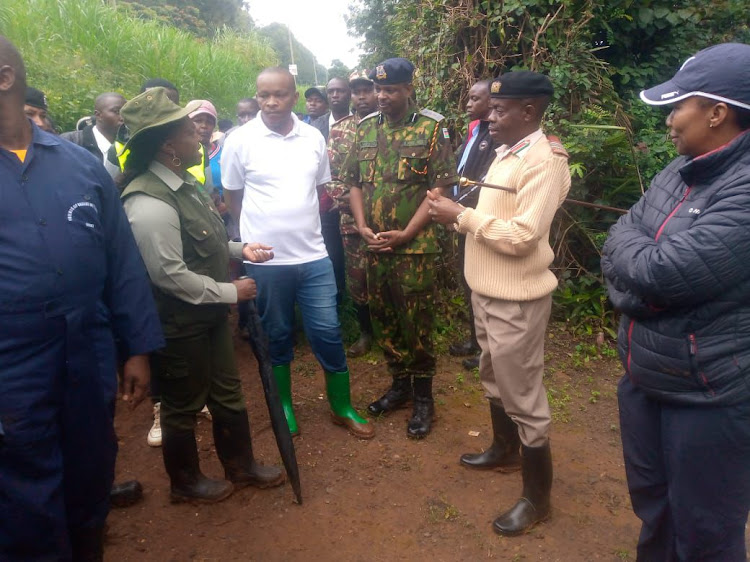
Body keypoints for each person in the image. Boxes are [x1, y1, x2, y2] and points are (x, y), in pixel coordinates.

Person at [0, 36, 164, 560]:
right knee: (24, 485)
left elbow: (122, 262)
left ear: (4, 77)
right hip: (10, 360)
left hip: (87, 346)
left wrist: (136, 346)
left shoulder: (79, 166)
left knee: (91, 466)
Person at [601, 43, 750, 561]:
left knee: (706, 531)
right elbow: (619, 235)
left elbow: (659, 272)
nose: (669, 119)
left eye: (677, 105)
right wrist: (637, 288)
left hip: (707, 395)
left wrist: (636, 283)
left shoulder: (744, 187)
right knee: (655, 508)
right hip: (645, 379)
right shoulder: (680, 168)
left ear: (717, 112)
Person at [119, 87, 285, 503]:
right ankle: (186, 483)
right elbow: (169, 274)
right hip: (179, 323)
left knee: (227, 391)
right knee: (182, 403)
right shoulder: (147, 200)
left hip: (208, 315)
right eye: (191, 133)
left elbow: (205, 241)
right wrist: (232, 291)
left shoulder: (183, 187)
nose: (202, 139)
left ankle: (241, 466)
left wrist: (239, 249)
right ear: (168, 145)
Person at [427, 71, 571, 535]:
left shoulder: (543, 162)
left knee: (524, 395)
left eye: (499, 109)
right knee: (492, 374)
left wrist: (461, 216)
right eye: (490, 107)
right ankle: (504, 450)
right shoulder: (509, 151)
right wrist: (455, 215)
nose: (489, 116)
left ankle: (537, 498)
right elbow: (493, 216)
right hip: (486, 290)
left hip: (517, 298)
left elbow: (525, 237)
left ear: (528, 112)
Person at [222, 67, 374, 440]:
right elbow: (232, 198)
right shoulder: (240, 141)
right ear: (257, 97)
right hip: (268, 261)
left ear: (294, 96)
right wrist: (252, 238)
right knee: (276, 334)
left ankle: (341, 406)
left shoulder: (312, 137)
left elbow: (320, 189)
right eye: (263, 95)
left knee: (327, 330)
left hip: (313, 257)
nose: (271, 102)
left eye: (280, 94)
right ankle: (285, 407)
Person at [341, 58, 458, 438]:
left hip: (415, 247)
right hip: (374, 244)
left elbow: (440, 189)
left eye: (390, 89)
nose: (381, 96)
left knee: (417, 321)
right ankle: (400, 385)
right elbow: (354, 183)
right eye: (378, 89)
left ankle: (423, 397)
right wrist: (361, 226)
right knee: (385, 317)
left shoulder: (432, 127)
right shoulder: (365, 128)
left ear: (408, 88)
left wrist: (407, 233)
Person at [326, 69, 379, 357]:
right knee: (358, 278)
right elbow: (330, 176)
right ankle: (365, 333)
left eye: (367, 90)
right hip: (351, 222)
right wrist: (349, 202)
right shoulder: (340, 130)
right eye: (356, 91)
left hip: (391, 220)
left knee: (388, 277)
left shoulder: (393, 126)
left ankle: (391, 329)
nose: (362, 96)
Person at [450, 79, 497, 370]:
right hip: (460, 216)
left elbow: (484, 183)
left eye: (474, 99)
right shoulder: (475, 130)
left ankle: (488, 350)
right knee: (469, 281)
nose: (468, 104)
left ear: (492, 102)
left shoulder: (496, 136)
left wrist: (456, 208)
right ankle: (475, 338)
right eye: (468, 98)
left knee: (483, 284)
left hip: (477, 217)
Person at [312, 77, 352, 305]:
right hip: (325, 204)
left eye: (340, 91)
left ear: (349, 94)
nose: (335, 95)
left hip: (352, 202)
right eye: (331, 91)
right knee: (331, 253)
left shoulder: (361, 123)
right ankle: (337, 299)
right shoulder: (314, 127)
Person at [62, 92, 126, 163]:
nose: (123, 118)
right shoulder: (69, 142)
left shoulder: (130, 144)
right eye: (116, 111)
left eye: (126, 112)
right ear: (98, 115)